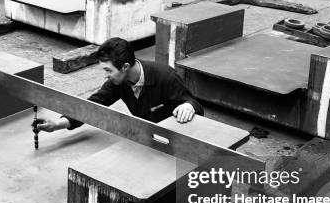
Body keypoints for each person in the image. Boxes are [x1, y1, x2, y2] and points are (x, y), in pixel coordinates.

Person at [36, 37, 204, 133]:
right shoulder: (118, 82)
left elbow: (195, 105)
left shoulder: (166, 76)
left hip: (175, 140)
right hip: (145, 140)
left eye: (109, 70)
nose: (106, 75)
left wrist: (188, 107)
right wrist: (58, 124)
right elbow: (94, 105)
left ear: (125, 67)